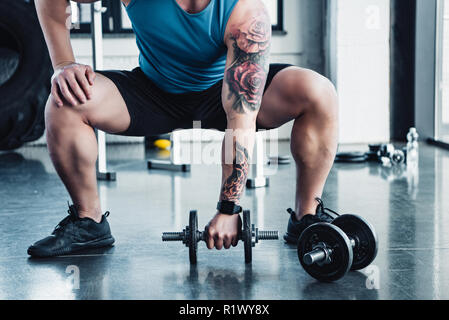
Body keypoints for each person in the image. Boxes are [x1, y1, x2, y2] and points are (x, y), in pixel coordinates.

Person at [28, 0, 339, 257]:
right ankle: (88, 222)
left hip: (224, 93)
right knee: (64, 102)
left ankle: (307, 217)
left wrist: (229, 209)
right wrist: (63, 63)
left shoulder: (246, 13)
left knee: (318, 92)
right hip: (153, 93)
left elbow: (240, 119)